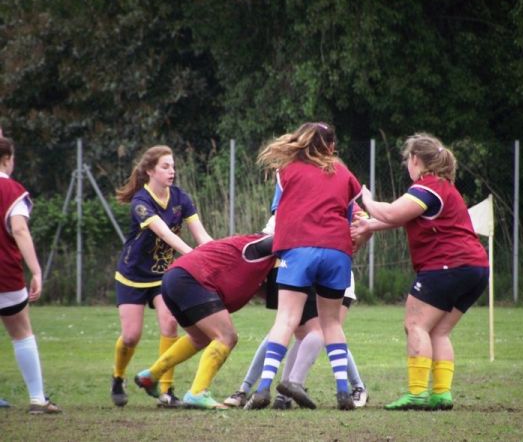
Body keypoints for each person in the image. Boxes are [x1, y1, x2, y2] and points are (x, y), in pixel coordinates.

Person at [352, 133, 489, 411]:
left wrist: (367, 200)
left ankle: (416, 394)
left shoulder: (426, 188)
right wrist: (370, 226)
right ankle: (441, 394)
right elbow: (402, 218)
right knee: (439, 331)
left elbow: (391, 212)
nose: (407, 165)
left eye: (407, 160)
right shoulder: (444, 187)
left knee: (415, 325)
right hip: (475, 268)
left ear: (416, 159)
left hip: (447, 266)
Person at [244, 122, 362, 410]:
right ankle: (344, 392)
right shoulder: (344, 173)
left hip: (298, 250)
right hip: (336, 251)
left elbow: (278, 210)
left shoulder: (286, 171)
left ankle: (262, 389)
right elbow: (354, 215)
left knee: (286, 319)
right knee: (331, 322)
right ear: (331, 147)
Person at [111, 145, 212, 408]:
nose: (172, 171)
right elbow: (165, 233)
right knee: (131, 336)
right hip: (132, 276)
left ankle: (166, 392)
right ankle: (118, 377)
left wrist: (217, 255)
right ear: (149, 171)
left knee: (170, 325)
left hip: (163, 277)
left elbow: (201, 236)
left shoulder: (181, 198)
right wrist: (192, 256)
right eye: (165, 167)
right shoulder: (140, 203)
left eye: (173, 166)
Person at [133, 232, 277, 409]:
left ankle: (152, 375)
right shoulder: (264, 243)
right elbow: (283, 238)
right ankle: (197, 393)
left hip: (175, 278)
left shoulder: (258, 260)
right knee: (226, 337)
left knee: (199, 338)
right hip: (192, 279)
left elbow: (264, 291)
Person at [224, 270, 369, 410]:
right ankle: (279, 392)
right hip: (304, 272)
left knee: (325, 332)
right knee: (288, 332)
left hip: (325, 271)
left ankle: (357, 387)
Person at [0, 132, 61, 415]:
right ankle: (37, 398)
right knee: (21, 332)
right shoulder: (12, 191)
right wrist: (36, 270)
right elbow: (20, 229)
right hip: (5, 274)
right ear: (8, 159)